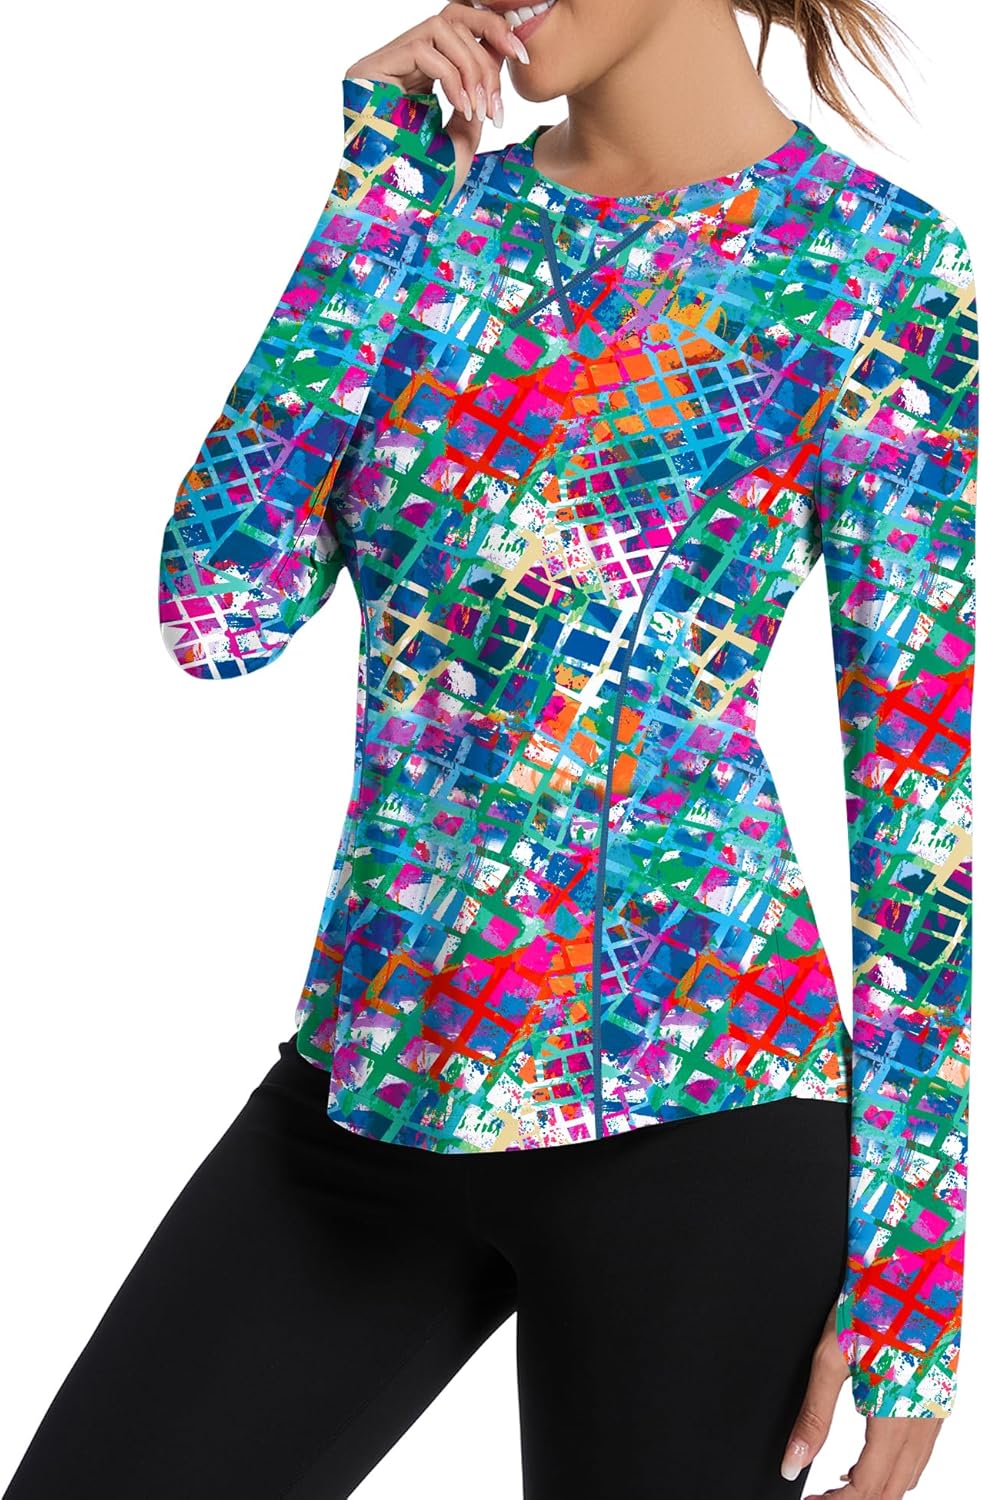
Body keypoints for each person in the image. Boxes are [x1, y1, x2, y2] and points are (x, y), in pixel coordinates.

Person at [4, 2, 974, 1497]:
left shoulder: (878, 268)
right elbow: (216, 613)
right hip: (368, 1079)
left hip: (699, 1106)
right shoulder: (432, 220)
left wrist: (914, 1281)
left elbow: (922, 797)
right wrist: (371, 199)